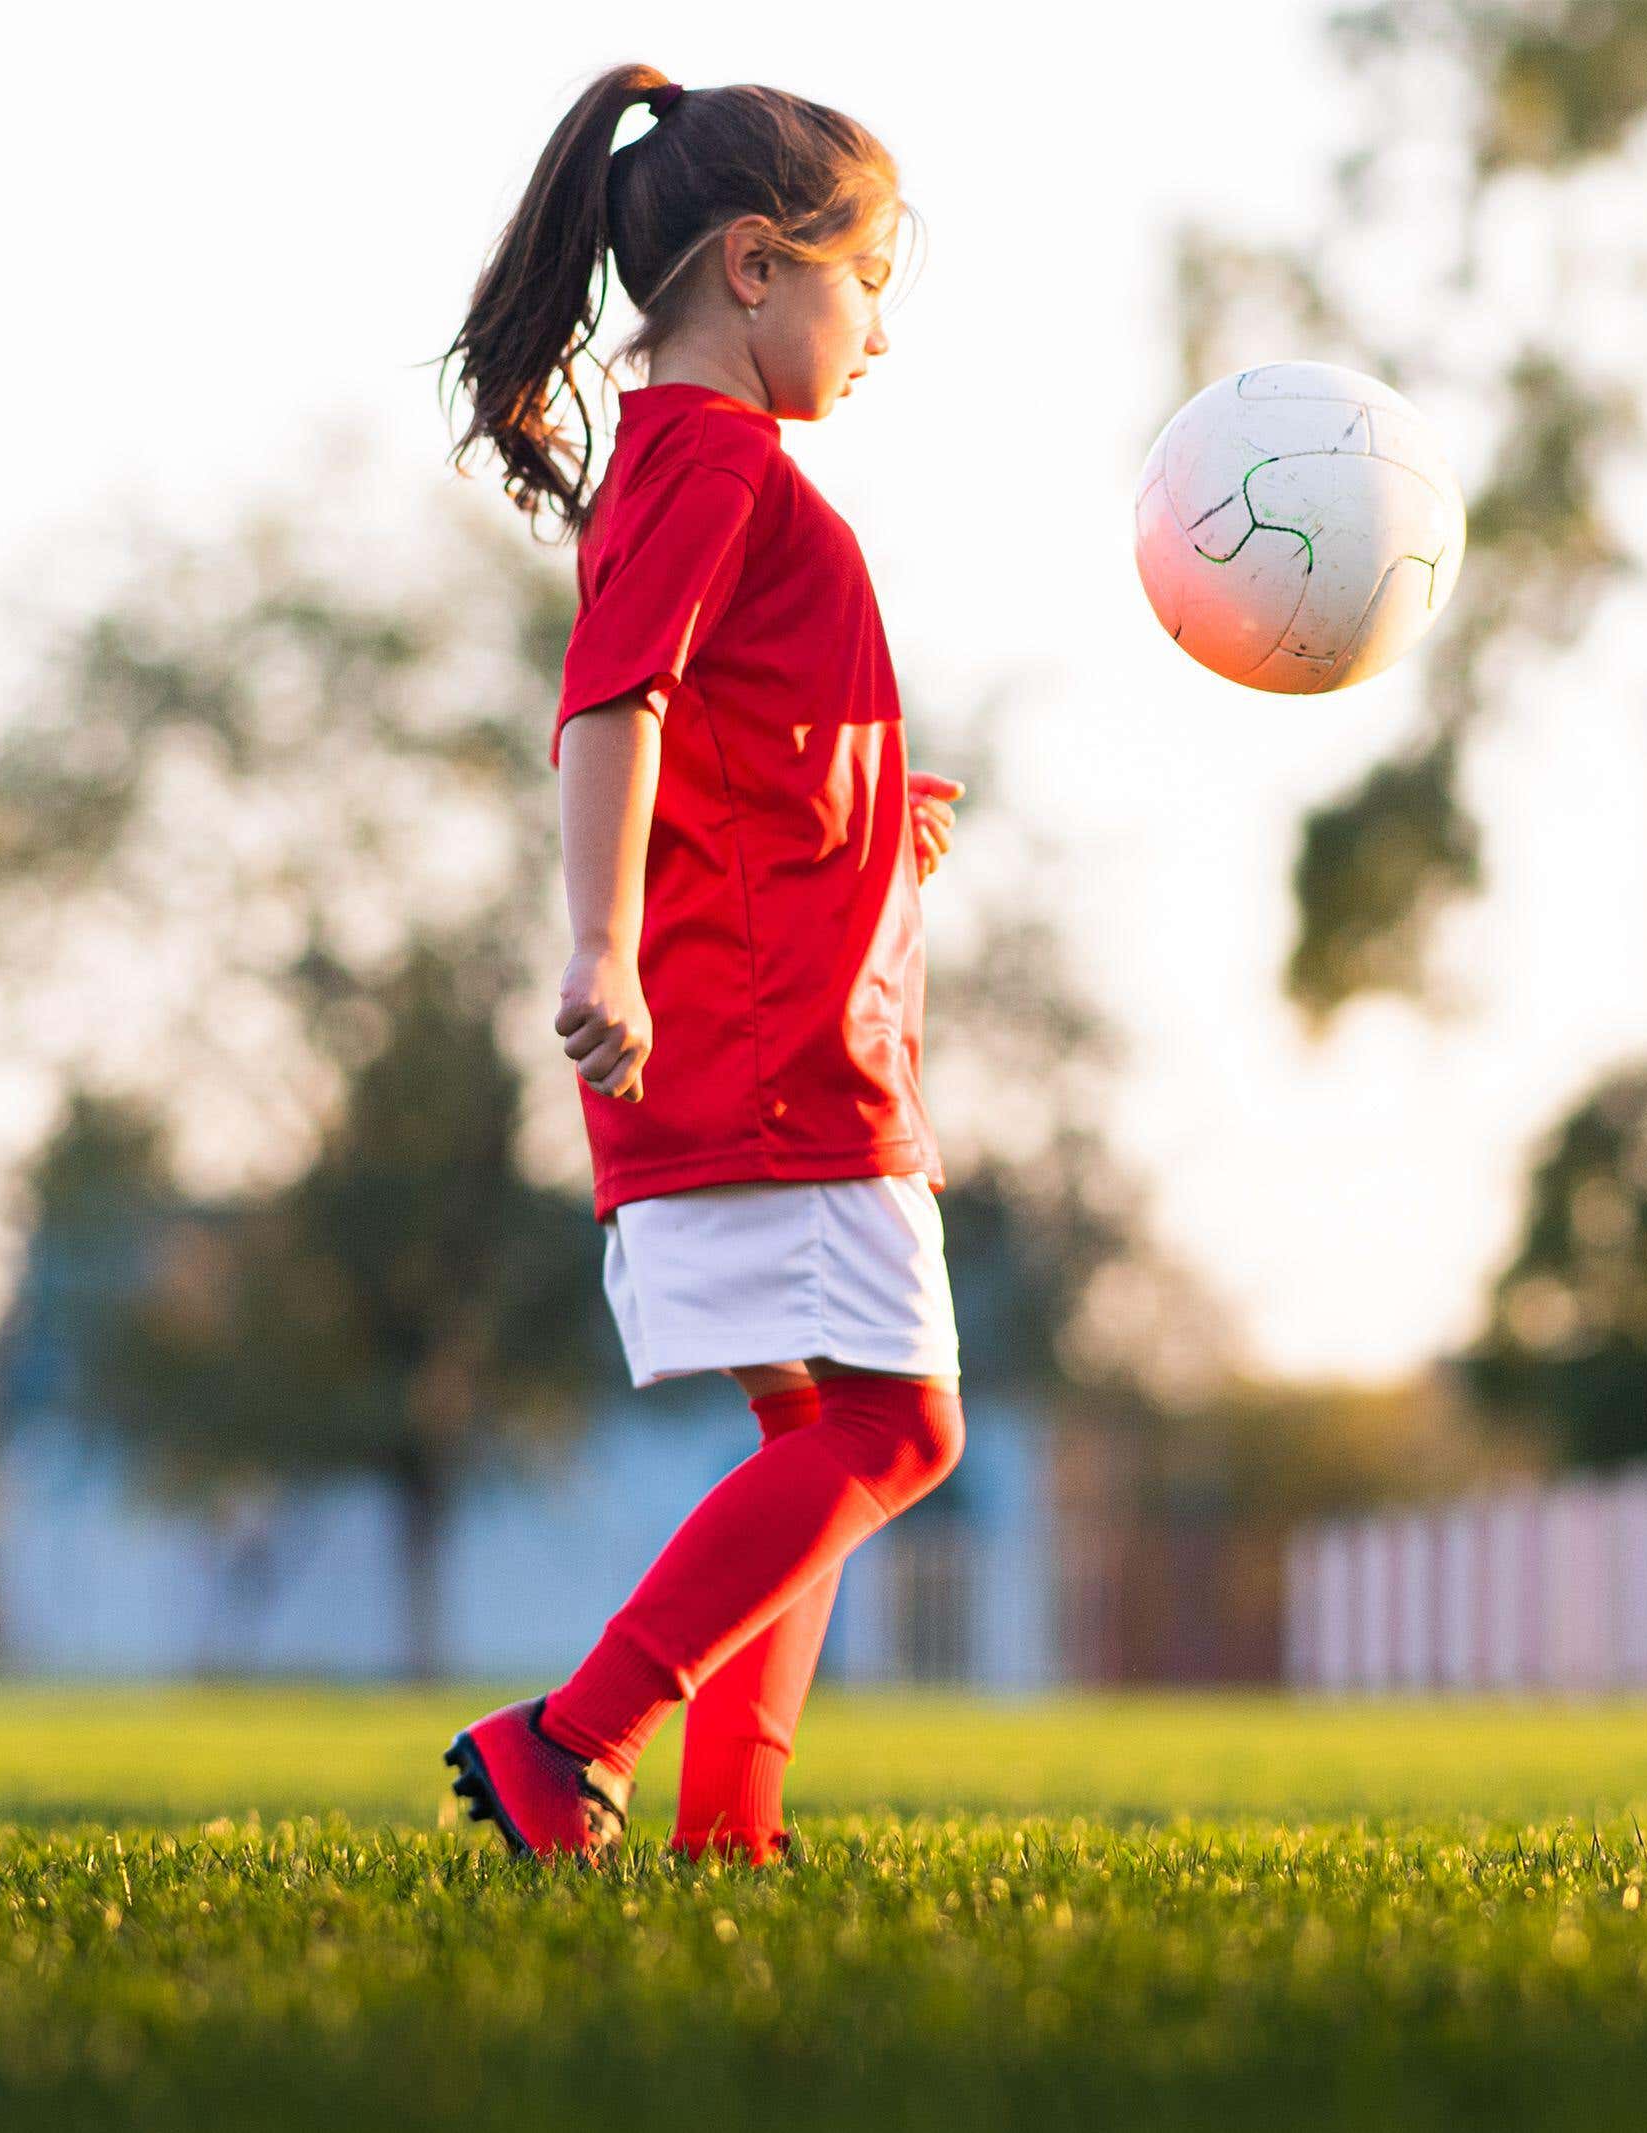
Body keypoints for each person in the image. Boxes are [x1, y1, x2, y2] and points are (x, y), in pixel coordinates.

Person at [432, 64, 964, 1865]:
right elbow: (612, 701)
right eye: (867, 276)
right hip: (765, 1051)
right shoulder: (712, 460)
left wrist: (883, 805)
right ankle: (569, 1741)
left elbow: (730, 727)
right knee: (899, 1434)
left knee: (816, 1430)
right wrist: (600, 949)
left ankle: (732, 1827)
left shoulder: (704, 465)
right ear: (755, 265)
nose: (882, 327)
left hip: (781, 1029)